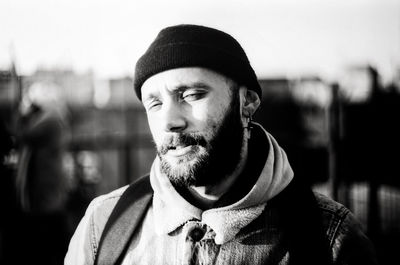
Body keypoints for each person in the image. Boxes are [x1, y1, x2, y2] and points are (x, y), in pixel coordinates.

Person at [65, 24, 377, 265]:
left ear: (248, 101)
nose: (169, 121)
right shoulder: (105, 224)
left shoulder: (330, 238)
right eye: (155, 103)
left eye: (191, 95)